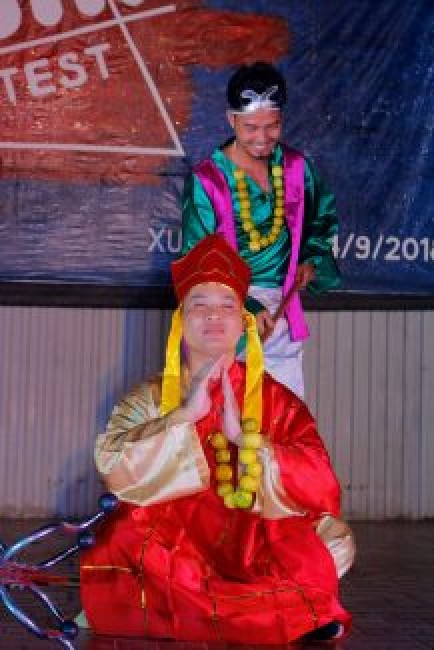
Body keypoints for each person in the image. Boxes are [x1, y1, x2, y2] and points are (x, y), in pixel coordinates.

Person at [80, 234, 354, 644]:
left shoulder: (277, 401)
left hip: (250, 542)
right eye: (199, 305)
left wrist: (246, 440)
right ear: (180, 320)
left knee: (332, 541)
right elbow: (112, 466)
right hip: (177, 548)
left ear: (244, 321)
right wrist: (183, 417)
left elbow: (322, 484)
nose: (213, 315)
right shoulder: (149, 397)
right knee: (123, 538)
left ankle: (213, 610)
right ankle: (291, 612)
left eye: (227, 305)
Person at [181, 61, 341, 398]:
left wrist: (310, 258)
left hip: (282, 306)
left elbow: (321, 218)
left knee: (284, 412)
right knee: (224, 413)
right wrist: (247, 308)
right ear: (231, 120)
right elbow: (198, 261)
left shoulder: (295, 167)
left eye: (272, 126)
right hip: (226, 313)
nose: (262, 138)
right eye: (251, 127)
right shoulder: (208, 180)